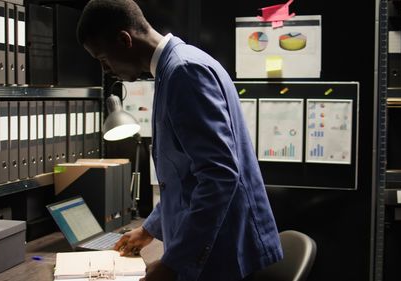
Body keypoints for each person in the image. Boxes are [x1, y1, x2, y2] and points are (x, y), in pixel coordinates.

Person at [77, 1, 283, 280]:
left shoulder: (183, 72)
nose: (105, 70)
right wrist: (150, 228)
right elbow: (184, 179)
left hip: (224, 252)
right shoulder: (175, 67)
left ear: (124, 40)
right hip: (216, 247)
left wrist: (174, 263)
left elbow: (218, 176)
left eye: (103, 59)